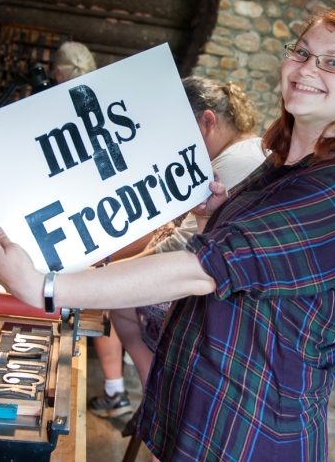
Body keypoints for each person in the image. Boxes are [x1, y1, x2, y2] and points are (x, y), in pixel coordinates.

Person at [0, 8, 335, 461]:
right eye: (302, 52)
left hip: (253, 427)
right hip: (207, 403)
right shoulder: (279, 167)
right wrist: (212, 220)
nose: (308, 68)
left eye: (334, 62)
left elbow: (201, 270)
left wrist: (44, 287)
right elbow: (244, 270)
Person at [111, 76, 267, 393]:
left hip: (228, 304)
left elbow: (180, 244)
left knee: (121, 302)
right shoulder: (242, 152)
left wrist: (110, 273)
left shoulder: (237, 161)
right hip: (225, 288)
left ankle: (153, 396)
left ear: (207, 121)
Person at [52, 40, 132, 417]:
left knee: (73, 297)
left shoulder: (51, 107)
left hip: (75, 216)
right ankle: (115, 389)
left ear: (57, 73)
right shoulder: (104, 99)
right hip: (109, 214)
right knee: (104, 302)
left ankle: (58, 388)